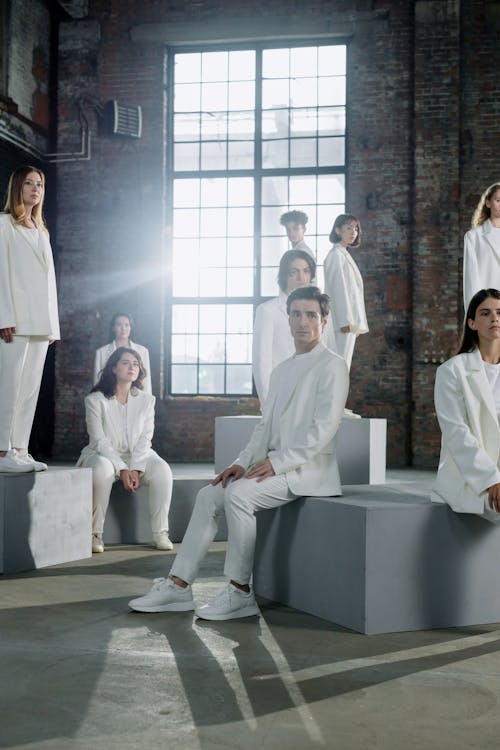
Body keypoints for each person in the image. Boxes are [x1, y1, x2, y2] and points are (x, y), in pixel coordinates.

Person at [129, 286, 349, 620]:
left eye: (311, 315)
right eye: (295, 314)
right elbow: (264, 428)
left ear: (324, 320)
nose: (302, 321)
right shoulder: (282, 369)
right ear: (287, 319)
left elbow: (324, 429)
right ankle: (178, 586)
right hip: (272, 464)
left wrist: (276, 463)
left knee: (240, 496)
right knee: (209, 494)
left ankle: (240, 592)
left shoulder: (332, 366)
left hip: (308, 469)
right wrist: (239, 463)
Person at [77, 347, 173, 553]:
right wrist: (122, 468)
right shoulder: (95, 400)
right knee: (101, 471)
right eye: (126, 362)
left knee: (163, 471)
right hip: (101, 454)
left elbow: (145, 438)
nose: (132, 367)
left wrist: (136, 468)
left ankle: (161, 533)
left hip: (138, 455)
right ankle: (95, 534)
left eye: (136, 364)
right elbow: (99, 440)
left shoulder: (147, 400)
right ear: (113, 368)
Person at [0, 165, 60, 473]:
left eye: (39, 184)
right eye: (29, 184)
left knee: (29, 390)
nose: (35, 189)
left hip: (40, 323)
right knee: (8, 387)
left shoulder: (41, 232)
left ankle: (20, 449)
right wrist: (4, 316)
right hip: (15, 322)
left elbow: (49, 282)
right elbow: (0, 274)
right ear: (17, 187)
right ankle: (1, 452)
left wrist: (53, 324)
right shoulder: (3, 225)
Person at [431, 289, 500, 522]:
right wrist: (492, 478)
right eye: (486, 313)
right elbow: (456, 433)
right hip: (471, 476)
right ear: (472, 323)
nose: (495, 318)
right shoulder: (452, 371)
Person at [252, 248, 316, 405]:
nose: (302, 277)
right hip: (280, 400)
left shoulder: (319, 313)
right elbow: (262, 362)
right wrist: (268, 405)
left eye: (306, 271)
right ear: (284, 276)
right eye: (294, 272)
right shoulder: (268, 311)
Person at [323, 213, 368, 371]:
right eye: (348, 228)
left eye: (355, 228)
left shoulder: (343, 254)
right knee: (339, 367)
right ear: (337, 230)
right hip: (342, 322)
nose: (353, 232)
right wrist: (345, 321)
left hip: (348, 322)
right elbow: (337, 290)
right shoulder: (336, 255)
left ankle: (339, 396)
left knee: (343, 367)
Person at [94, 312, 152, 394]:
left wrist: (147, 404)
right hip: (109, 397)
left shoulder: (142, 351)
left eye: (126, 325)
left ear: (131, 328)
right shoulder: (101, 352)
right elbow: (97, 381)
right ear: (113, 328)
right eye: (119, 325)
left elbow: (146, 381)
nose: (123, 328)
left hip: (136, 398)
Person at [463, 183, 500, 310]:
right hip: (489, 307)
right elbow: (471, 279)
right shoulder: (474, 237)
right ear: (488, 203)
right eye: (498, 200)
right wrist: (474, 311)